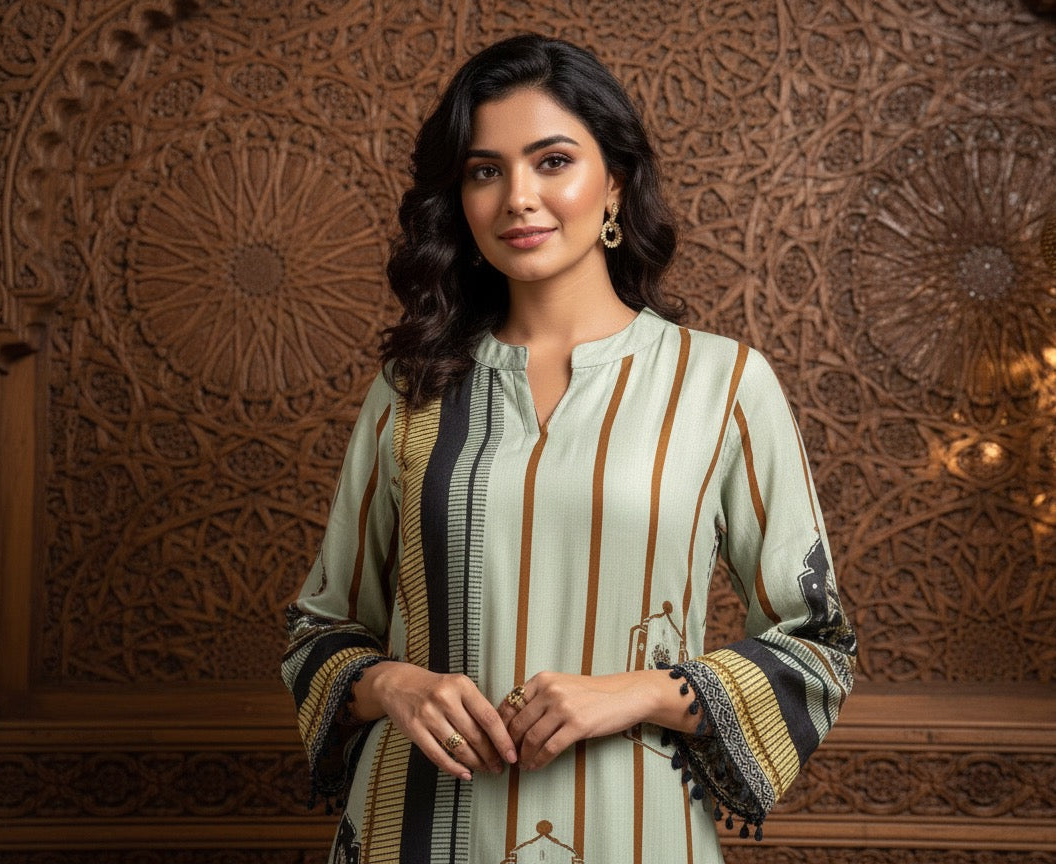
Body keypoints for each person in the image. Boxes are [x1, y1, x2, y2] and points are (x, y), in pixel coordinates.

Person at [282, 34, 856, 864]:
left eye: (553, 161)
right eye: (486, 170)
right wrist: (393, 684)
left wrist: (636, 694)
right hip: (409, 829)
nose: (519, 197)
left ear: (614, 181)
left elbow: (819, 643)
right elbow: (319, 629)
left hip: (634, 828)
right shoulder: (411, 388)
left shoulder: (723, 383)